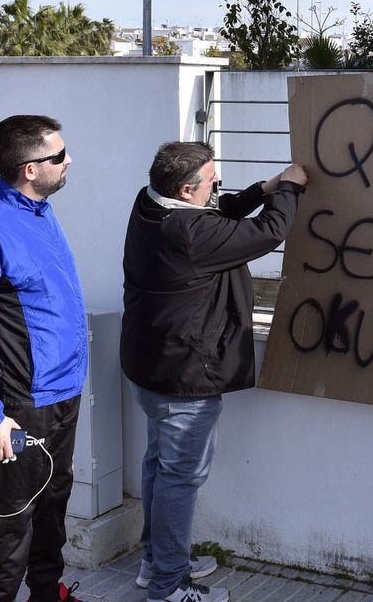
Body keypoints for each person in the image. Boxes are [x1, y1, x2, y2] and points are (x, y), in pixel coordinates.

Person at [121, 142, 308, 602]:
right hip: (184, 379)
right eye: (212, 181)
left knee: (158, 467)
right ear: (187, 191)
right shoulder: (189, 234)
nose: (217, 188)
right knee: (179, 479)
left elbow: (219, 212)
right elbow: (267, 232)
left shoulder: (149, 203)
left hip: (149, 367)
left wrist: (262, 188)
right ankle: (168, 586)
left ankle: (156, 562)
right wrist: (290, 189)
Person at [0, 114, 88, 602]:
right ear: (30, 168)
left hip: (62, 393)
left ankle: (48, 594)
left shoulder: (40, 212)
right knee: (11, 520)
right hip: (20, 406)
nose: (68, 160)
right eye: (58, 156)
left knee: (52, 507)